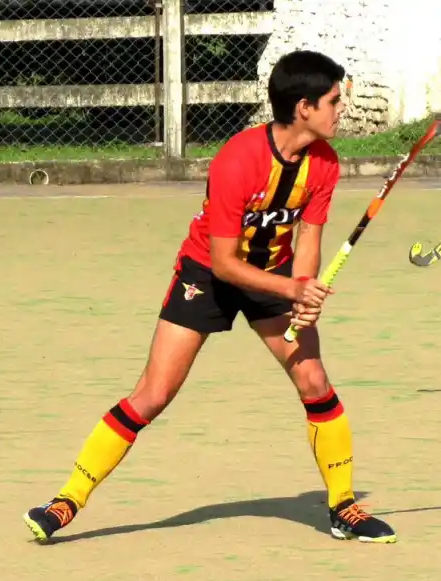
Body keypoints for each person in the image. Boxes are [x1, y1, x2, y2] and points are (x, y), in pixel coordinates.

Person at [23, 50, 397, 545]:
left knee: (315, 381)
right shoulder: (237, 161)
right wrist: (293, 288)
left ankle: (342, 508)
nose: (341, 108)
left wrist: (304, 295)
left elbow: (308, 236)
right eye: (333, 100)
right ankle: (66, 500)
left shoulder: (324, 163)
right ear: (303, 107)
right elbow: (224, 263)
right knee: (152, 395)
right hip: (208, 274)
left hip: (276, 274)